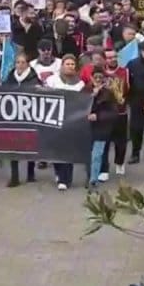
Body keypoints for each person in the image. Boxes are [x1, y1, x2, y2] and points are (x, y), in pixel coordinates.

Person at [46, 55, 86, 190]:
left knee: (68, 151)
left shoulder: (80, 84)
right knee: (56, 150)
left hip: (71, 121)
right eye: (67, 64)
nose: (70, 66)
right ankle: (58, 172)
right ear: (62, 66)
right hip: (54, 119)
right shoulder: (52, 80)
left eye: (72, 64)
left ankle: (65, 179)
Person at [3, 51, 39, 187]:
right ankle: (14, 176)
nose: (20, 65)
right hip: (13, 116)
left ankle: (31, 172)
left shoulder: (33, 78)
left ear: (27, 64)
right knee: (13, 146)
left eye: (23, 62)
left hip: (29, 116)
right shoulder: (10, 77)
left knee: (30, 144)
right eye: (18, 62)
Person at [86, 74, 120, 189]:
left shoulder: (108, 93)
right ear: (91, 78)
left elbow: (113, 113)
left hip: (101, 129)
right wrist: (92, 96)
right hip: (86, 129)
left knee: (97, 154)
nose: (98, 80)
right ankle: (89, 176)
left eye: (100, 78)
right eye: (95, 77)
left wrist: (98, 116)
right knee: (88, 155)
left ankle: (93, 179)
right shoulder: (85, 91)